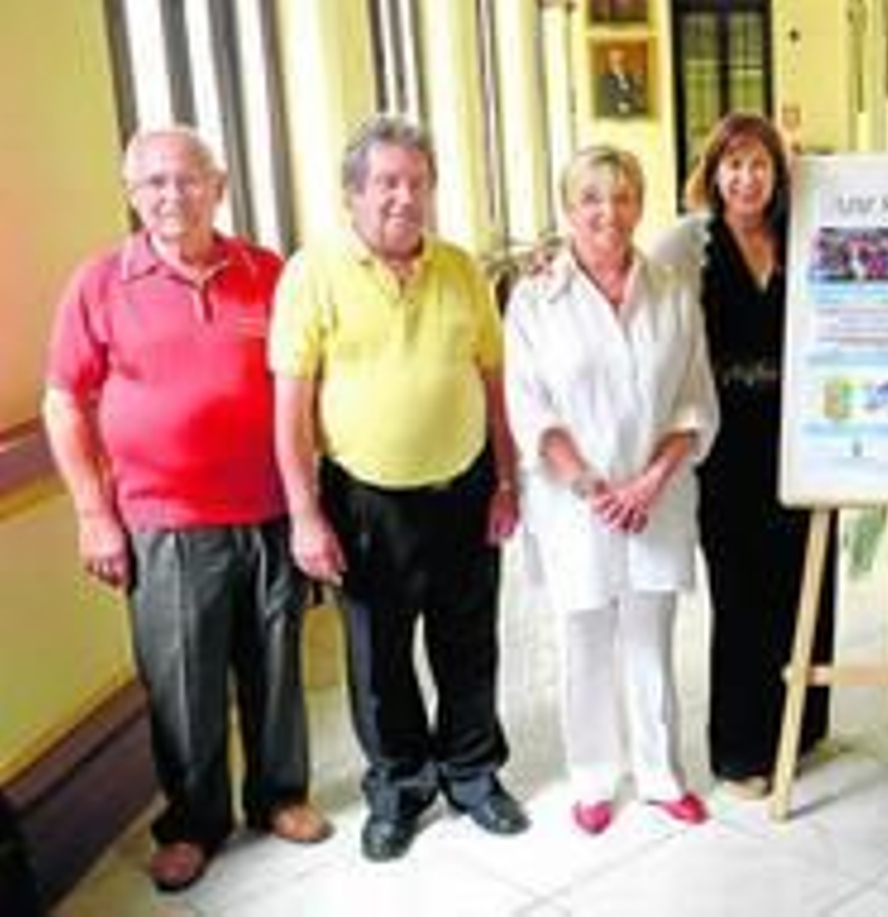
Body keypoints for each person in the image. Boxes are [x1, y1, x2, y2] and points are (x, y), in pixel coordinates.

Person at [42, 126, 329, 892]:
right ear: (132, 194)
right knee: (182, 682)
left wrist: (313, 502)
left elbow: (308, 384)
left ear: (220, 184)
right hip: (163, 523)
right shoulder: (100, 283)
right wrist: (91, 513)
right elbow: (63, 399)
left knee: (274, 668)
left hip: (268, 511)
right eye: (154, 183)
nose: (173, 196)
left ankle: (279, 796)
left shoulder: (268, 273)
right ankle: (194, 823)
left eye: (188, 179)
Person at [270, 115, 527, 862]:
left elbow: (493, 380)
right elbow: (289, 409)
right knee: (379, 657)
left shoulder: (462, 269)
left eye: (417, 182)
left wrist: (506, 479)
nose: (403, 197)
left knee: (468, 644)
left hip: (465, 486)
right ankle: (401, 788)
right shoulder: (310, 273)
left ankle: (475, 776)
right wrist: (304, 515)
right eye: (386, 182)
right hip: (365, 500)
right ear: (352, 194)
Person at [505, 145, 718, 835]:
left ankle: (659, 773)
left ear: (640, 204)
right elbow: (529, 406)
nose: (609, 211)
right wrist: (592, 485)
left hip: (656, 494)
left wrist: (649, 481)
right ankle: (594, 776)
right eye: (591, 197)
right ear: (568, 210)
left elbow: (694, 401)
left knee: (650, 637)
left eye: (623, 196)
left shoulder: (672, 290)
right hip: (576, 502)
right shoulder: (537, 298)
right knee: (585, 636)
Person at [651, 112, 836, 800]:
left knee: (804, 583)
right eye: (734, 164)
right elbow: (632, 289)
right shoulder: (684, 241)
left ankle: (801, 726)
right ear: (713, 171)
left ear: (778, 174)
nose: (747, 177)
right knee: (741, 593)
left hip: (804, 436)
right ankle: (740, 750)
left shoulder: (804, 237)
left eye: (760, 164)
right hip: (725, 441)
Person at [597, 46, 646, 118]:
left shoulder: (630, 77)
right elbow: (603, 101)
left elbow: (636, 96)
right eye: (614, 60)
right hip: (613, 116)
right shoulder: (604, 80)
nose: (617, 62)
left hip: (632, 114)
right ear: (609, 61)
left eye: (620, 59)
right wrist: (617, 106)